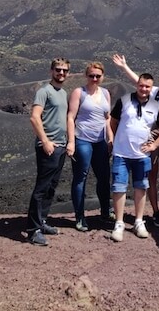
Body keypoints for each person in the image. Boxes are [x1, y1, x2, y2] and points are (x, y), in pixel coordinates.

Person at [112, 54, 159, 227]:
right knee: (151, 175)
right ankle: (155, 212)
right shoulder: (158, 93)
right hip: (154, 134)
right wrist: (124, 67)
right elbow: (141, 83)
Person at [26, 58, 71, 246]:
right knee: (41, 187)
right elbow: (34, 117)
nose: (61, 73)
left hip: (60, 145)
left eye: (64, 71)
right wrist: (45, 141)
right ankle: (33, 229)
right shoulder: (44, 92)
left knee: (51, 186)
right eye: (58, 70)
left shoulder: (63, 93)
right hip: (49, 146)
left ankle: (42, 221)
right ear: (51, 71)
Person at [66, 62, 112, 232]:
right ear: (86, 76)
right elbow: (70, 117)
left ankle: (105, 212)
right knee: (81, 177)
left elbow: (107, 117)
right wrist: (71, 142)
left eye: (98, 76)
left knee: (104, 176)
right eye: (91, 75)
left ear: (102, 76)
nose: (94, 79)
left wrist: (110, 138)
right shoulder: (79, 92)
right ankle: (80, 217)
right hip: (82, 139)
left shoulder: (106, 93)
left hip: (100, 141)